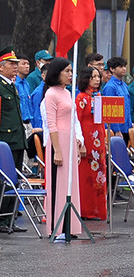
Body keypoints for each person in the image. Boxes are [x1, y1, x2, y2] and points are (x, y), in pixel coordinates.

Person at [0, 47, 29, 233]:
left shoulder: (11, 85)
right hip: (4, 141)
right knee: (1, 181)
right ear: (1, 67)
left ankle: (10, 218)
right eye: (11, 63)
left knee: (14, 181)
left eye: (15, 63)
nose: (15, 66)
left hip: (16, 138)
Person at [40, 58, 83, 240]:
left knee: (70, 184)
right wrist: (56, 150)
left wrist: (79, 142)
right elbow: (51, 124)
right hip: (58, 141)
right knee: (58, 183)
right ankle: (56, 227)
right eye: (66, 71)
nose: (70, 74)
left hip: (69, 140)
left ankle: (70, 225)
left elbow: (73, 119)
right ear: (57, 73)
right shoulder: (51, 94)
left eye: (71, 71)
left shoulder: (67, 93)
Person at [75, 65, 108, 221]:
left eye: (98, 77)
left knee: (99, 175)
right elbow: (77, 121)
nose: (97, 80)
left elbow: (101, 121)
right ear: (86, 79)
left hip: (99, 142)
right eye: (93, 77)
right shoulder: (81, 98)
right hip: (87, 141)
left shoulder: (98, 96)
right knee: (86, 176)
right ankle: (86, 210)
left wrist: (105, 140)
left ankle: (98, 209)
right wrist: (80, 143)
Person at [101, 57, 131, 143]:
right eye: (120, 67)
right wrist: (117, 130)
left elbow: (127, 107)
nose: (124, 69)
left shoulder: (124, 85)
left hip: (126, 128)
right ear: (112, 69)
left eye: (124, 66)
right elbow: (110, 111)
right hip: (116, 130)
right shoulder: (110, 87)